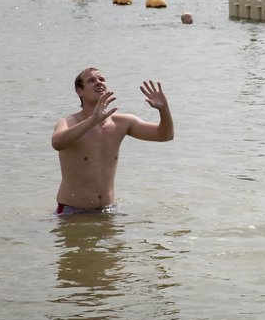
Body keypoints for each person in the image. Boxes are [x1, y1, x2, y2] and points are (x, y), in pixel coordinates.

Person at [52, 68, 174, 216]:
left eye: (102, 79)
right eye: (91, 80)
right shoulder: (68, 121)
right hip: (71, 211)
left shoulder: (121, 122)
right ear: (79, 91)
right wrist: (92, 120)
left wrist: (164, 110)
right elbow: (57, 143)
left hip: (107, 210)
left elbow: (165, 136)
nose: (99, 83)